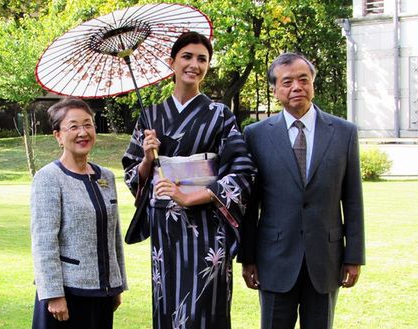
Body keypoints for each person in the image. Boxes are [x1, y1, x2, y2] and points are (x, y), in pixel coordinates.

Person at [122, 31, 255, 329]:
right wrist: (146, 157)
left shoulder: (220, 115)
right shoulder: (150, 116)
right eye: (187, 57)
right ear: (172, 62)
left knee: (206, 309)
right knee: (167, 305)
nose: (194, 64)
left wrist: (192, 196)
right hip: (165, 229)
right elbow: (133, 175)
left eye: (202, 59)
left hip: (207, 225)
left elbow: (243, 172)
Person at [238, 53, 365, 329]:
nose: (296, 87)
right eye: (287, 82)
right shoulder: (256, 135)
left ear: (313, 85)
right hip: (274, 260)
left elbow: (353, 199)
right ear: (275, 90)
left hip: (326, 260)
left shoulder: (344, 133)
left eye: (303, 79)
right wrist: (248, 258)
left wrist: (354, 256)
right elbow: (250, 204)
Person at [30, 98, 128, 329]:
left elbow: (113, 234)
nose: (83, 132)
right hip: (67, 296)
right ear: (58, 136)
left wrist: (117, 283)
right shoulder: (49, 178)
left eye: (88, 124)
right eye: (73, 126)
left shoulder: (106, 176)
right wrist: (53, 294)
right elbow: (44, 241)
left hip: (103, 294)